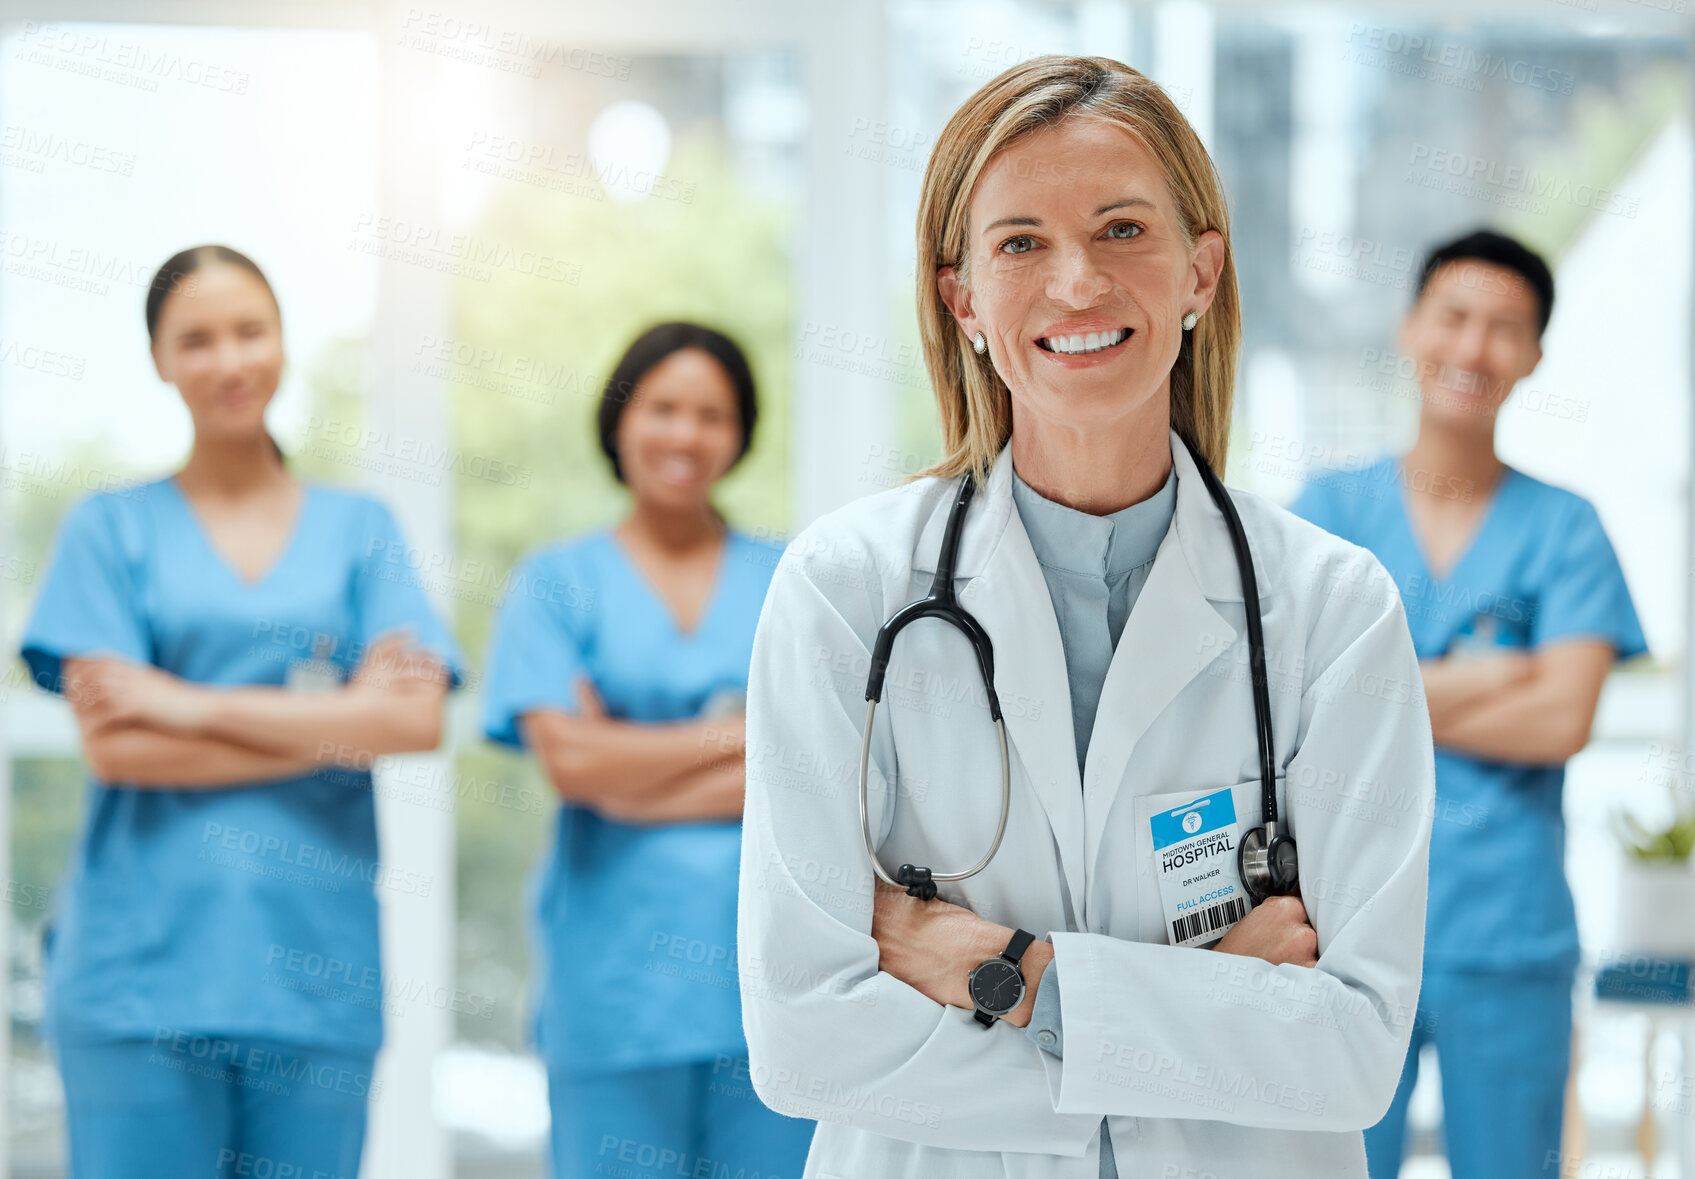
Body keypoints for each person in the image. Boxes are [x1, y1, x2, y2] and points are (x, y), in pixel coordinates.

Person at [737, 55, 1435, 1179]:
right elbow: (804, 1038)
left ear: (1200, 272)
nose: (1076, 285)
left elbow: (1353, 1051)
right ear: (961, 295)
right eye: (1020, 242)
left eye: (1122, 230)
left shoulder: (1331, 610)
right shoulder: (848, 590)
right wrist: (1212, 1009)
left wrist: (996, 965)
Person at [19, 245, 463, 1179]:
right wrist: (338, 725)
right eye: (197, 339)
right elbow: (119, 748)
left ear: (283, 342)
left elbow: (414, 723)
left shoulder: (361, 529)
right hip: (137, 978)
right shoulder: (110, 527)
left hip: (315, 976)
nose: (229, 360)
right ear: (158, 359)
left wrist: (177, 697)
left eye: (249, 331)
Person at [1289, 230, 1648, 1178]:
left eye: (1504, 328)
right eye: (1453, 315)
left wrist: (1384, 683)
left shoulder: (1566, 528)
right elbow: (1299, 705)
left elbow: (1563, 720)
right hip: (1341, 929)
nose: (1472, 347)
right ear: (1410, 329)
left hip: (1508, 939)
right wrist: (1495, 675)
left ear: (1532, 356)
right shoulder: (1328, 512)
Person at [480, 323, 815, 1179]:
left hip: (772, 982)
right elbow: (572, 766)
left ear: (739, 433)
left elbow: (816, 767)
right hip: (614, 988)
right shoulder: (557, 583)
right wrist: (742, 736)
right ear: (619, 420)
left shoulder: (795, 581)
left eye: (711, 413)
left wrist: (626, 760)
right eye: (663, 408)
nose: (685, 434)